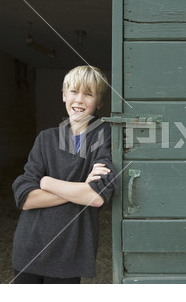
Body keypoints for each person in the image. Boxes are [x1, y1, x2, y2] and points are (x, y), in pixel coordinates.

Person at [11, 65, 118, 284]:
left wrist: (46, 181)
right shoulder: (46, 139)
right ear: (63, 95)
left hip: (69, 251)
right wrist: (79, 188)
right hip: (29, 246)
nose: (79, 99)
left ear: (99, 103)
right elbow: (25, 198)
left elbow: (96, 197)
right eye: (73, 92)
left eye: (88, 94)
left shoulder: (103, 135)